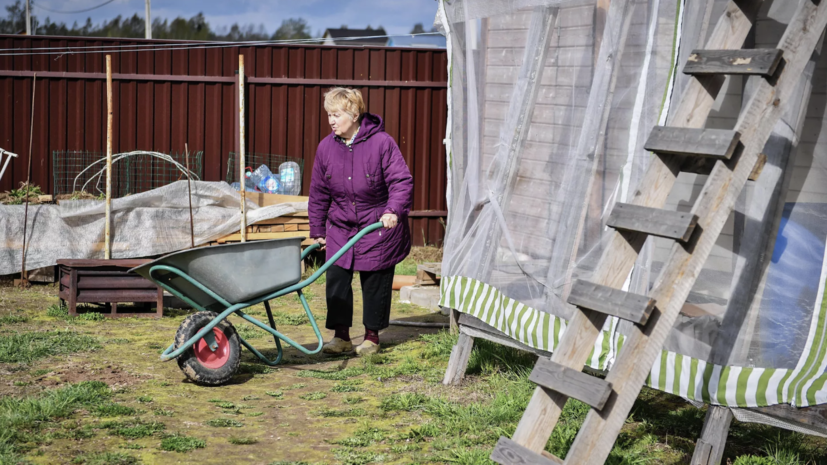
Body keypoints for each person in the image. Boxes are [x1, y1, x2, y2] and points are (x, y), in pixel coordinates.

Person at [309, 87, 413, 356]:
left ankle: (371, 337)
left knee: (375, 279)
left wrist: (393, 210)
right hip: (341, 225)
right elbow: (319, 192)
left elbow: (401, 181)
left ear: (354, 114)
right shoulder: (325, 147)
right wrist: (318, 229)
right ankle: (341, 336)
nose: (331, 120)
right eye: (329, 114)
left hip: (376, 223)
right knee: (337, 278)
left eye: (337, 114)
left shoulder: (382, 143)